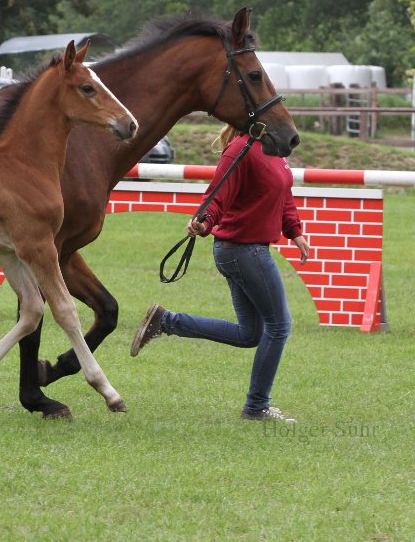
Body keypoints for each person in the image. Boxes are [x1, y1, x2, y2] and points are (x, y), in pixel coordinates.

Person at [130, 125, 311, 423]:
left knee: (250, 334)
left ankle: (165, 321)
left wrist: (295, 232)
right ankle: (256, 407)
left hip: (244, 251)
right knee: (279, 326)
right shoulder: (240, 149)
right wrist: (203, 220)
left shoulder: (274, 148)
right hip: (244, 251)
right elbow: (217, 193)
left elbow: (284, 192)